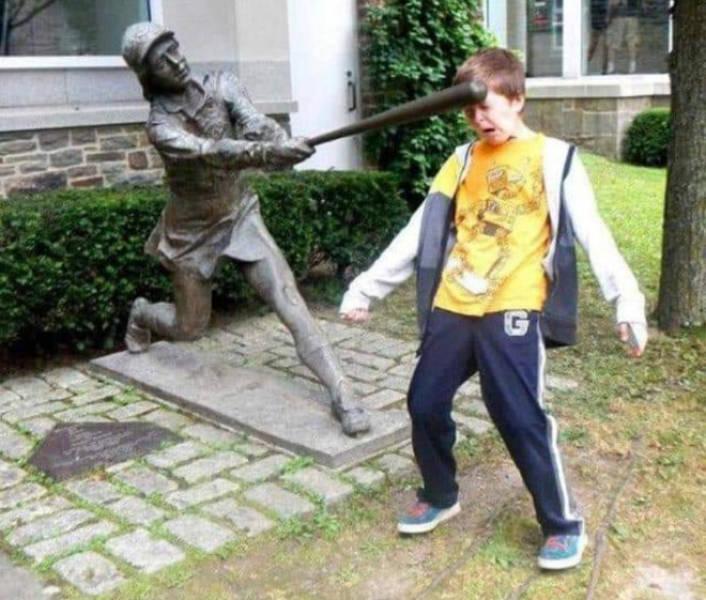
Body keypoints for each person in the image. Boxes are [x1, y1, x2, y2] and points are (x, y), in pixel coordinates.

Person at [340, 48, 647, 570]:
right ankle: (440, 494)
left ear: (517, 98)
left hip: (514, 303)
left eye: (488, 105)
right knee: (424, 402)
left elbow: (594, 234)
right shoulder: (461, 161)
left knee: (518, 414)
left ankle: (562, 524)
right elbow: (418, 230)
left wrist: (628, 301)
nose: (480, 118)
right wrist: (366, 288)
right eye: (470, 110)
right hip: (454, 302)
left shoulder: (555, 159)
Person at [120, 22, 370, 436]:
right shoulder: (161, 127)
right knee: (189, 328)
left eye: (174, 48)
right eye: (161, 61)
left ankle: (342, 392)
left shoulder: (223, 84)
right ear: (148, 76)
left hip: (238, 215)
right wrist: (266, 153)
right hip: (191, 232)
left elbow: (255, 123)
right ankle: (143, 313)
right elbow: (213, 152)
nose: (176, 61)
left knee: (288, 298)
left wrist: (279, 142)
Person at [607, 0, 642, 73]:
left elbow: (614, 3)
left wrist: (609, 16)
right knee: (631, 41)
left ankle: (611, 67)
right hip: (632, 16)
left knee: (613, 41)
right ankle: (632, 67)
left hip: (619, 16)